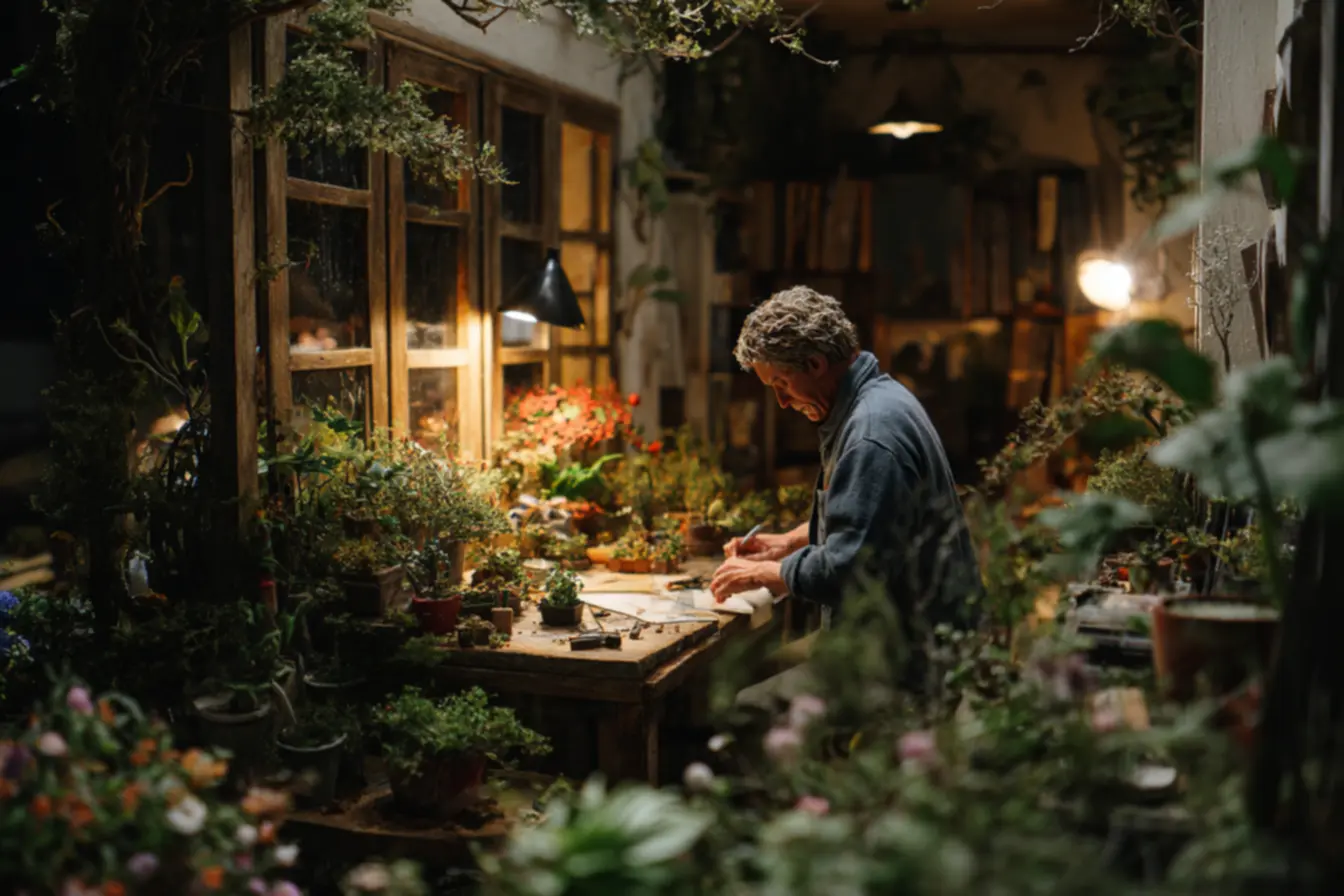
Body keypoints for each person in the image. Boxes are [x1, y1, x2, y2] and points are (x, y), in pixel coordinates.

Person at [710, 286, 981, 704]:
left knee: (746, 707)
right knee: (753, 670)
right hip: (895, 635)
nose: (781, 402)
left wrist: (766, 574)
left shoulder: (871, 434)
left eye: (782, 384)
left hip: (905, 658)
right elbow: (872, 518)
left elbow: (849, 570)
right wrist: (789, 542)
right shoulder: (877, 398)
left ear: (816, 364)